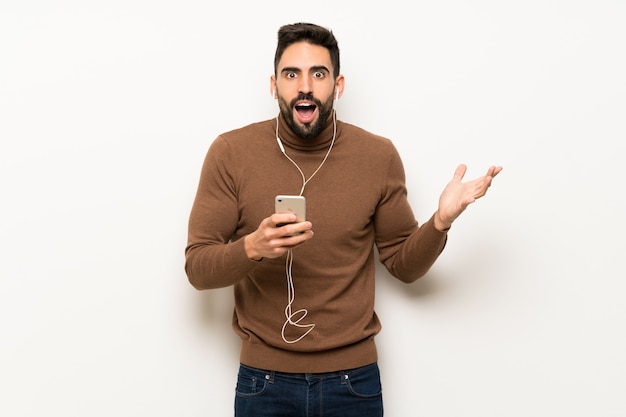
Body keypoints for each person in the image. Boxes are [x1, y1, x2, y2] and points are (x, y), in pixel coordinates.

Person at [185, 22, 502, 417]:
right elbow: (197, 268)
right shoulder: (231, 152)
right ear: (273, 85)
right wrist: (253, 247)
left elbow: (404, 265)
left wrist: (439, 222)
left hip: (353, 384)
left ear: (338, 86)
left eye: (318, 74)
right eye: (291, 74)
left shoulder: (377, 156)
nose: (305, 86)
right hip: (263, 382)